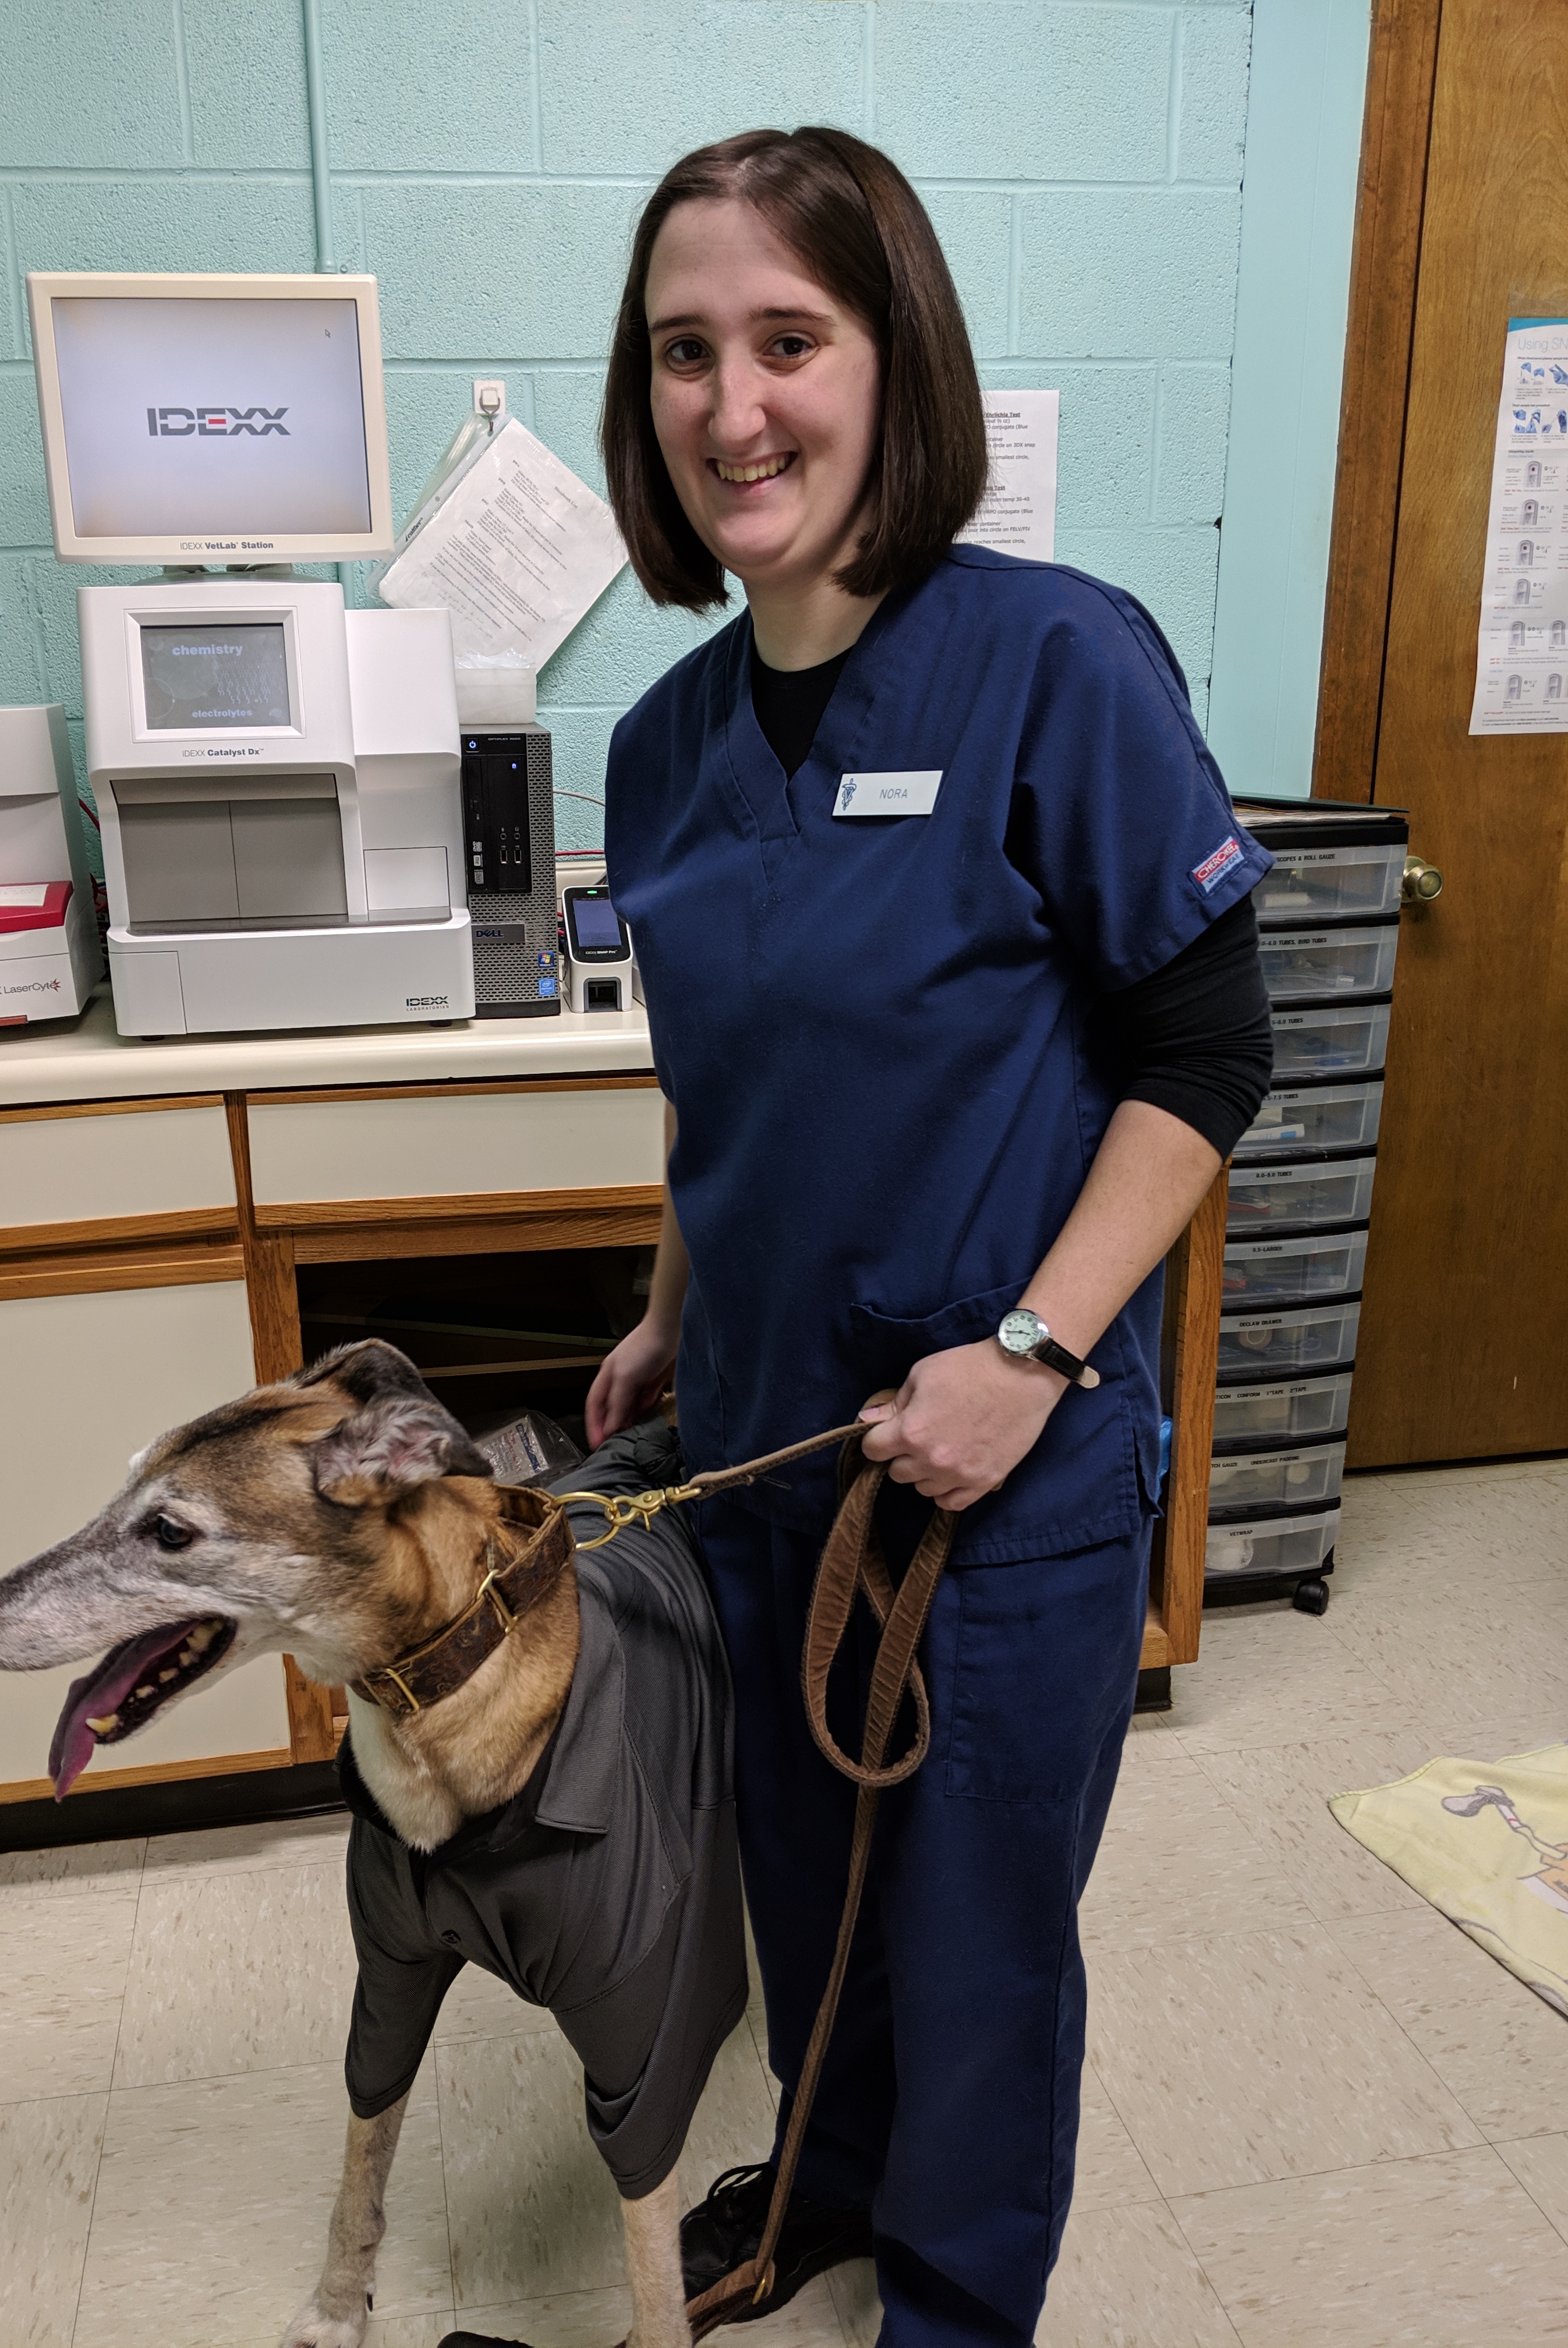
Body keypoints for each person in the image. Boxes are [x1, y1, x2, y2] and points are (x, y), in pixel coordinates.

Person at [584, 126, 1273, 2348]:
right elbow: (724, 1075)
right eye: (685, 352)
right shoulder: (662, 747)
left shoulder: (1054, 662)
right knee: (810, 1886)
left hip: (1001, 1466)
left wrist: (1036, 1358)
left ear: (897, 364)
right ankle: (832, 2180)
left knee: (974, 1933)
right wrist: (673, 1308)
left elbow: (1207, 1057)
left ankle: (960, 2306)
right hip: (771, 1435)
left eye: (789, 340)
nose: (733, 406)